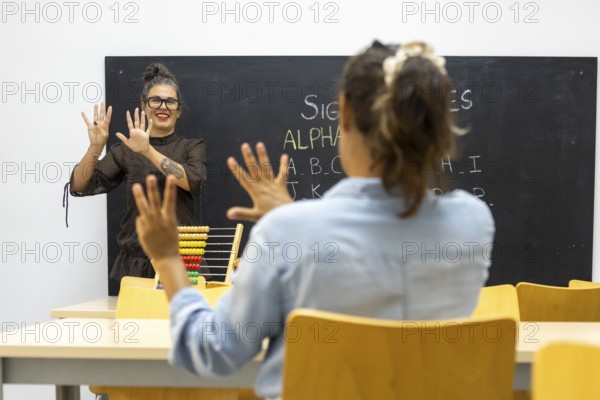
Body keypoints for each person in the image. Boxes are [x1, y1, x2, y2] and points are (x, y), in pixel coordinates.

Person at [132, 41, 495, 399]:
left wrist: (167, 260)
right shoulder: (472, 223)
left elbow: (215, 351)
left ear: (345, 114)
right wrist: (292, 222)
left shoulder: (287, 233)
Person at [67, 63, 207, 282]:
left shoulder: (191, 147)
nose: (164, 106)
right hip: (136, 261)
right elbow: (79, 186)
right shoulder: (125, 151)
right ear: (144, 106)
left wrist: (148, 150)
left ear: (178, 111)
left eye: (171, 101)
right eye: (155, 100)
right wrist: (95, 147)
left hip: (183, 259)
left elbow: (193, 181)